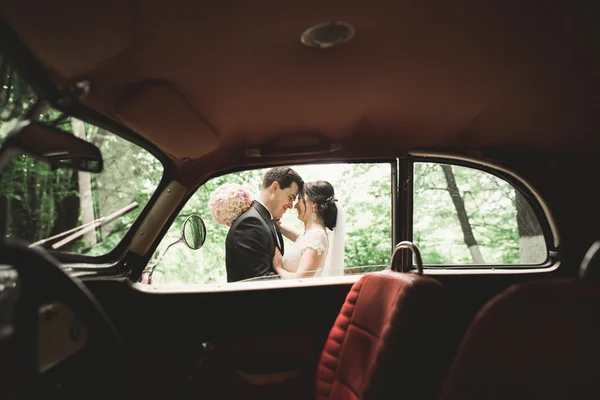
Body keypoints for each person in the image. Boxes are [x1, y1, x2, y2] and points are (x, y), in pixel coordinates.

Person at [225, 166, 304, 282]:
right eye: (290, 197)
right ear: (275, 187)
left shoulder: (267, 221)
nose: (291, 205)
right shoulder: (250, 223)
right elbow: (259, 280)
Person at [272, 180, 346, 278]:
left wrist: (278, 267)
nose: (295, 205)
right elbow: (299, 238)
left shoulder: (317, 236)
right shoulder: (311, 234)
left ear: (314, 203)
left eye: (299, 199)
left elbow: (302, 279)